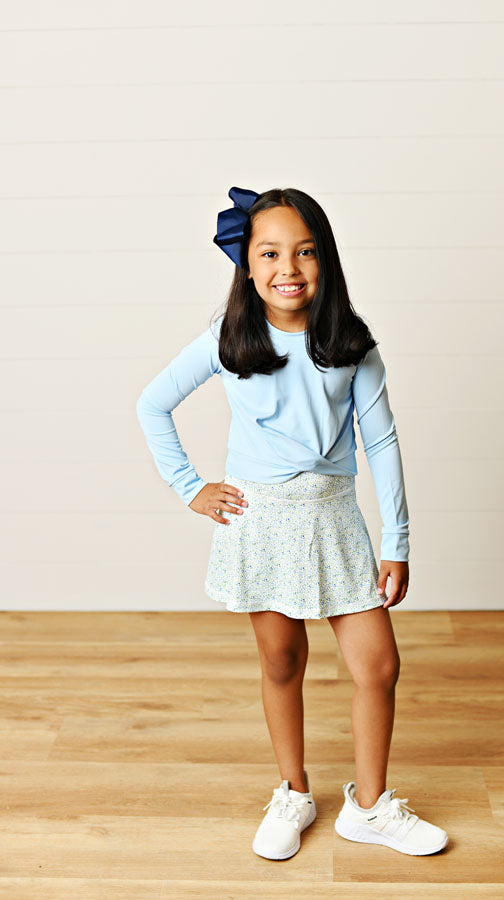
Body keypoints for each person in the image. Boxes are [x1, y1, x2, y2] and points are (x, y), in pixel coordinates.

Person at [136, 186, 449, 860]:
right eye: (270, 253)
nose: (289, 268)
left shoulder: (352, 345)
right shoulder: (229, 341)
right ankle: (293, 791)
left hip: (333, 519)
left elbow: (381, 441)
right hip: (261, 523)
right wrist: (191, 488)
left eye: (305, 252)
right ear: (246, 264)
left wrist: (395, 541)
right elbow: (153, 404)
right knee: (282, 660)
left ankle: (370, 806)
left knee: (379, 665)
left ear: (325, 260)